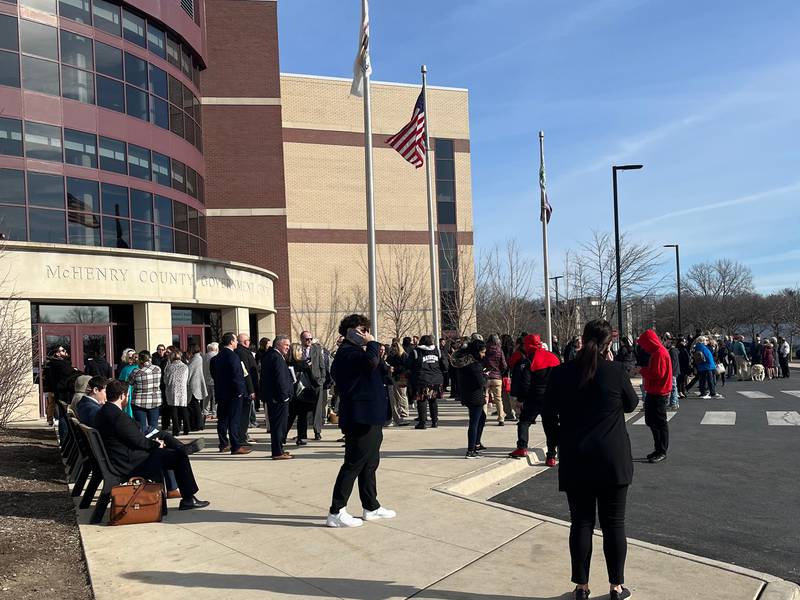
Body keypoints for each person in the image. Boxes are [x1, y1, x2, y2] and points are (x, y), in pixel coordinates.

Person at [542, 319, 638, 600]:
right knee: (614, 524)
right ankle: (616, 587)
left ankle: (581, 587)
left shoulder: (561, 373)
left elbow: (548, 414)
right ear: (609, 344)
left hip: (576, 455)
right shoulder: (615, 371)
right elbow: (632, 404)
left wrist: (557, 441)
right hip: (612, 457)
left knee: (581, 523)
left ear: (581, 340)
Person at [93, 379, 210, 511]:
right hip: (131, 463)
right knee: (179, 457)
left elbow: (133, 435)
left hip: (119, 458)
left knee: (171, 448)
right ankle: (189, 498)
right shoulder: (117, 416)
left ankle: (182, 449)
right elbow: (139, 441)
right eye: (127, 395)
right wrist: (156, 445)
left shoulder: (103, 412)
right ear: (122, 395)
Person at [326, 314, 394, 528]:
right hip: (359, 417)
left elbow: (381, 370)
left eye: (367, 330)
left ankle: (371, 506)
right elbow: (369, 364)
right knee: (354, 463)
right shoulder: (347, 353)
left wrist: (377, 352)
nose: (366, 333)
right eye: (361, 330)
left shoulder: (360, 352)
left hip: (372, 415)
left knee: (370, 463)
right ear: (350, 332)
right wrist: (372, 344)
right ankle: (336, 511)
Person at [508, 334, 561, 464]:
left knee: (524, 422)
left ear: (527, 346)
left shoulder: (528, 361)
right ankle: (551, 456)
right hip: (552, 397)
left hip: (534, 397)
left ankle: (522, 447)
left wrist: (521, 399)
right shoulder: (553, 356)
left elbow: (525, 383)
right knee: (551, 426)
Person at [210, 332, 252, 455]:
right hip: (234, 393)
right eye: (235, 340)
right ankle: (236, 446)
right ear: (231, 342)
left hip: (221, 393)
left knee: (222, 420)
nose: (236, 343)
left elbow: (214, 374)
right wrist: (240, 391)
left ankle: (223, 444)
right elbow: (237, 375)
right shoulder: (233, 356)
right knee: (234, 420)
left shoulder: (216, 357)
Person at [638, 330, 673, 463]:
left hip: (659, 392)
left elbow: (657, 374)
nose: (643, 347)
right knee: (652, 421)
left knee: (659, 422)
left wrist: (642, 371)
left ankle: (661, 450)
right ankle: (658, 448)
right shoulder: (657, 352)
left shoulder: (659, 353)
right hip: (655, 391)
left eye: (644, 344)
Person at [452, 339, 487, 458]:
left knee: (482, 417)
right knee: (474, 422)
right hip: (475, 396)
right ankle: (471, 449)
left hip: (467, 394)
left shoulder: (464, 362)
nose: (484, 355)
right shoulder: (474, 365)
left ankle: (476, 444)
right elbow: (480, 382)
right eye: (483, 352)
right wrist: (484, 376)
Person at [261, 335, 294, 460]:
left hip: (273, 397)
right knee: (278, 426)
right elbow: (280, 380)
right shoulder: (276, 357)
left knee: (277, 426)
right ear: (279, 344)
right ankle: (277, 452)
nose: (288, 348)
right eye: (286, 345)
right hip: (278, 398)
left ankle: (279, 449)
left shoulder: (270, 356)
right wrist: (284, 396)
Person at [410, 335, 446, 429]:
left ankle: (422, 422)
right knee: (433, 400)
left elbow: (408, 364)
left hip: (422, 379)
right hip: (436, 379)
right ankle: (435, 421)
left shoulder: (416, 351)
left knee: (422, 400)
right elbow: (445, 364)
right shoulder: (437, 351)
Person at [298, 330, 329, 440]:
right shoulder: (297, 349)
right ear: (301, 339)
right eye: (307, 339)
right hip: (303, 382)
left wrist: (322, 379)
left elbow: (322, 365)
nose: (309, 341)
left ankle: (317, 431)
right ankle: (302, 433)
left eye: (311, 339)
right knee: (303, 409)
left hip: (316, 381)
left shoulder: (316, 349)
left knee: (318, 408)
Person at [286, 342, 316, 446]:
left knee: (290, 417)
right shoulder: (303, 364)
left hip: (291, 394)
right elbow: (311, 379)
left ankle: (283, 436)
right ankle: (301, 437)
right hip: (302, 393)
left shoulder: (286, 363)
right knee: (302, 417)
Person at [128, 351, 162, 431]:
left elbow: (130, 382)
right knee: (153, 426)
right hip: (154, 400)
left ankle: (143, 442)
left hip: (139, 401)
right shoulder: (157, 369)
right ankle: (154, 441)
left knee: (141, 427)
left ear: (140, 360)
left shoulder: (136, 371)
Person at [235, 333, 259, 442]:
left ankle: (242, 435)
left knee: (245, 414)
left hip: (245, 388)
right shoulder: (242, 353)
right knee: (244, 415)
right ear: (245, 342)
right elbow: (246, 373)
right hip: (245, 389)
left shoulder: (241, 352)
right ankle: (242, 436)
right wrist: (251, 390)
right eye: (248, 340)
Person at [163, 349, 190, 436]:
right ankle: (186, 429)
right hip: (182, 389)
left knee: (174, 411)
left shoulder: (169, 367)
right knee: (183, 409)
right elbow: (187, 379)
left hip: (172, 390)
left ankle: (176, 430)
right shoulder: (185, 366)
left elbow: (166, 380)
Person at [482, 334, 508, 425]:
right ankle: (501, 418)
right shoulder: (499, 350)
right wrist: (500, 372)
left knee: (485, 398)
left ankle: (483, 418)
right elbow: (504, 365)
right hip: (497, 377)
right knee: (498, 399)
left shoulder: (485, 350)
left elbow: (482, 363)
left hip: (486, 377)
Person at [386, 339, 410, 426]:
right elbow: (388, 362)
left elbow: (405, 367)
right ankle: (398, 413)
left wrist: (395, 368)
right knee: (395, 397)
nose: (393, 349)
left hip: (401, 377)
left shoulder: (403, 356)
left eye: (394, 347)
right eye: (392, 348)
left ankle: (404, 412)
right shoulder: (391, 356)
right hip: (393, 377)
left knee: (402, 395)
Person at [186, 344, 208, 431]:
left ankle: (197, 425)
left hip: (194, 386)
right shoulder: (198, 358)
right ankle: (198, 424)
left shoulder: (196, 359)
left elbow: (189, 371)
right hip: (197, 385)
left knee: (194, 407)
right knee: (195, 406)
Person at [663, 334, 681, 410]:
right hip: (675, 371)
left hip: (673, 371)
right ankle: (674, 402)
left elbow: (672, 363)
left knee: (673, 387)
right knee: (674, 387)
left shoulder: (672, 351)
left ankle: (674, 403)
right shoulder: (674, 351)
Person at [202, 342, 219, 417]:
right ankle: (214, 413)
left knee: (206, 397)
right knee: (215, 398)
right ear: (215, 348)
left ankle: (205, 412)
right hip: (215, 379)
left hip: (206, 379)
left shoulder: (204, 356)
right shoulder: (216, 355)